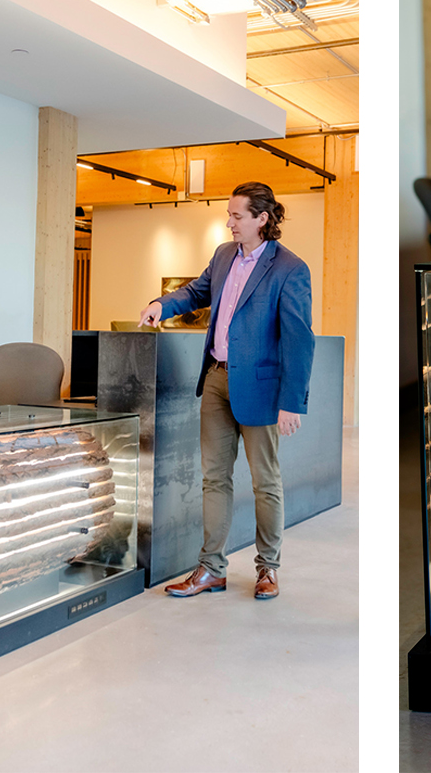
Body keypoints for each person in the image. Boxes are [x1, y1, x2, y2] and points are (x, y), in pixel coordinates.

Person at [138, 181, 314, 600]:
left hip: (261, 389)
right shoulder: (221, 256)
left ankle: (268, 569)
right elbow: (197, 292)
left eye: (237, 216)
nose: (230, 223)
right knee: (214, 478)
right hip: (216, 378)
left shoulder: (290, 268)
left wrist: (292, 401)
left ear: (262, 219)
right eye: (229, 215)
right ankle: (211, 569)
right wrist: (164, 303)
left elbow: (298, 339)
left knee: (264, 481)